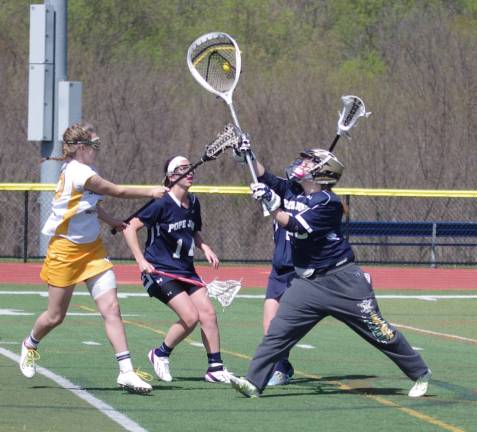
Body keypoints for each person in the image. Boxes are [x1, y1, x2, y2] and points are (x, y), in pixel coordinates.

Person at [230, 147, 431, 398]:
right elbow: (266, 178)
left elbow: (296, 226)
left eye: (309, 161)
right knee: (278, 332)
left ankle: (420, 372)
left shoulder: (329, 203)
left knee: (379, 331)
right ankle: (253, 382)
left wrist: (271, 205)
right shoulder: (295, 189)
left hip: (343, 281)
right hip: (308, 284)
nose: (301, 163)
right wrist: (247, 156)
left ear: (322, 171)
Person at [19, 122, 169, 394]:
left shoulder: (87, 171)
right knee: (55, 316)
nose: (97, 150)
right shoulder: (79, 172)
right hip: (65, 251)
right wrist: (151, 191)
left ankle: (126, 372)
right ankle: (30, 343)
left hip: (93, 250)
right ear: (80, 148)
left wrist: (114, 221)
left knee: (111, 308)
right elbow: (117, 191)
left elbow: (92, 204)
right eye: (94, 145)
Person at [122, 155, 232, 384]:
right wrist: (140, 261)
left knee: (208, 314)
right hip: (160, 271)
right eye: (183, 169)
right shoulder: (161, 202)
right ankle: (160, 353)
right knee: (190, 316)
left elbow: (193, 231)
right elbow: (129, 228)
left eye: (190, 167)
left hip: (186, 270)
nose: (189, 171)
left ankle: (215, 367)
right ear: (172, 176)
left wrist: (205, 247)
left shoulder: (194, 202)